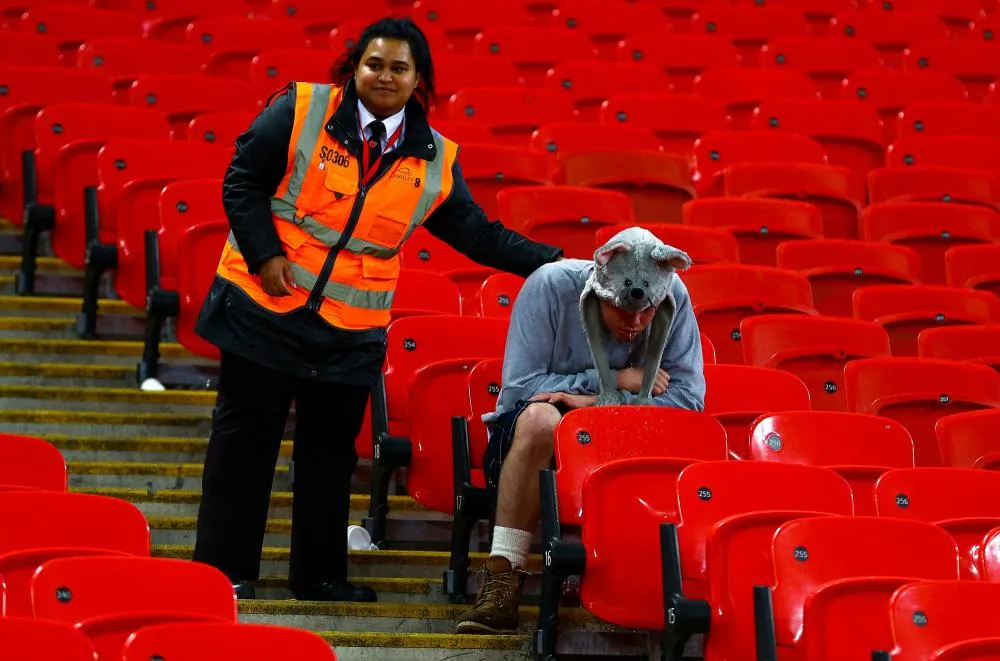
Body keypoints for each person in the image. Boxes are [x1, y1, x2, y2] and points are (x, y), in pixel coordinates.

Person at [191, 17, 563, 603]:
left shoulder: (432, 158)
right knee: (243, 448)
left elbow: (478, 235)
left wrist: (562, 263)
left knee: (330, 458)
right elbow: (241, 182)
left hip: (349, 330)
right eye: (374, 64)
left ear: (419, 81)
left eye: (399, 68)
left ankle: (317, 580)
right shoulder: (300, 110)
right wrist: (264, 255)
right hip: (263, 309)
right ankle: (223, 575)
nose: (384, 76)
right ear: (353, 68)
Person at [454, 246, 705, 634]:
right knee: (541, 418)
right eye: (623, 310)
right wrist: (613, 380)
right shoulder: (549, 286)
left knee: (672, 435)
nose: (636, 323)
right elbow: (521, 390)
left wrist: (595, 399)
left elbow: (688, 403)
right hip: (531, 435)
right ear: (597, 293)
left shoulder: (673, 295)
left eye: (647, 311)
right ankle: (503, 574)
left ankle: (642, 581)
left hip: (618, 434)